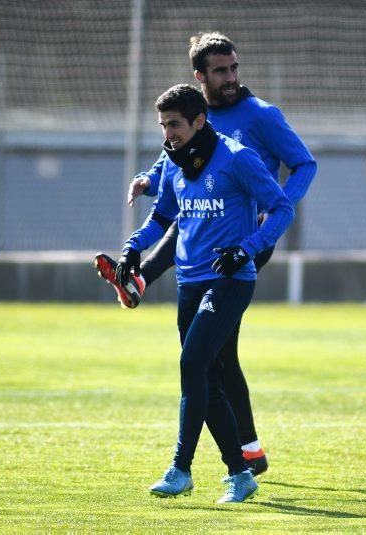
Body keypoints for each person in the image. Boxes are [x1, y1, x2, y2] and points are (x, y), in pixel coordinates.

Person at [95, 32, 316, 476]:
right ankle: (248, 453)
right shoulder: (191, 120)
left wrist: (265, 214)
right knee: (219, 357)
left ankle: (139, 279)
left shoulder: (261, 116)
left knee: (207, 358)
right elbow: (177, 170)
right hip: (204, 248)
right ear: (201, 78)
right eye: (221, 71)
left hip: (243, 247)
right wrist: (147, 179)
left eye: (234, 67)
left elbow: (304, 165)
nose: (231, 77)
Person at [116, 83, 294, 503]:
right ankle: (238, 473)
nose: (167, 134)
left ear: (199, 121)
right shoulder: (176, 163)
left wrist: (246, 249)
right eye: (162, 125)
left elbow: (282, 207)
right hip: (190, 282)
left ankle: (181, 468)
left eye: (174, 124)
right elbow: (161, 218)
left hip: (231, 280)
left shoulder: (236, 157)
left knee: (192, 362)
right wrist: (132, 248)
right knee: (205, 377)